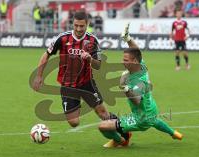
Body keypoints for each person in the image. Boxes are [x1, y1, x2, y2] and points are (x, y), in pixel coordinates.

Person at [32, 11, 131, 144]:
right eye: (76, 25)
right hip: (67, 86)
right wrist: (39, 76)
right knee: (74, 122)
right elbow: (46, 54)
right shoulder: (62, 39)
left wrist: (90, 58)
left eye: (82, 26)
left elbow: (98, 65)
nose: (78, 29)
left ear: (87, 24)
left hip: (87, 83)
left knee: (103, 114)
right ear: (72, 23)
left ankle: (123, 134)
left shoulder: (92, 41)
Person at [98, 23, 183, 148]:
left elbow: (137, 100)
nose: (122, 61)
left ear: (134, 62)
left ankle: (120, 140)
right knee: (153, 119)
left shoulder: (139, 82)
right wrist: (128, 39)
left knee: (103, 126)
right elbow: (137, 52)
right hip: (151, 109)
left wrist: (124, 88)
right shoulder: (141, 66)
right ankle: (173, 133)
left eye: (126, 60)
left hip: (141, 119)